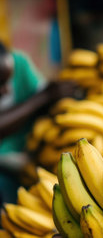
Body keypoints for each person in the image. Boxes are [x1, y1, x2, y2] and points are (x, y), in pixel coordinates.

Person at [0, 41, 78, 204]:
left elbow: (47, 102)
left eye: (7, 82)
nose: (6, 90)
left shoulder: (18, 64)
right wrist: (43, 97)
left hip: (33, 149)